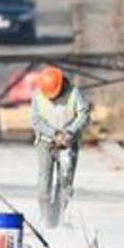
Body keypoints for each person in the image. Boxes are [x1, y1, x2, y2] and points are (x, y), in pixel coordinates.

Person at [29, 67, 90, 227]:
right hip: (46, 142)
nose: (52, 99)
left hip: (68, 143)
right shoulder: (39, 95)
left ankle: (59, 217)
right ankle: (46, 219)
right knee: (44, 184)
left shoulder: (74, 94)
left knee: (65, 183)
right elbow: (35, 120)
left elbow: (84, 114)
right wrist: (53, 134)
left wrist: (70, 132)